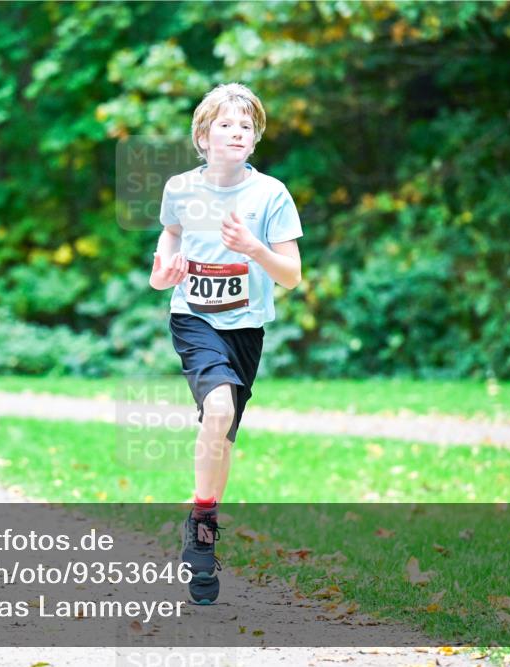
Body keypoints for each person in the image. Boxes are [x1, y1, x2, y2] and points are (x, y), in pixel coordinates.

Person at [149, 83, 302, 604]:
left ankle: (204, 526)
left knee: (225, 434)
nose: (236, 132)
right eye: (226, 124)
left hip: (246, 328)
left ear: (254, 139)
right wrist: (162, 270)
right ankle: (201, 525)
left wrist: (253, 248)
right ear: (203, 135)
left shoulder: (271, 194)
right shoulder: (179, 188)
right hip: (193, 317)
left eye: (246, 126)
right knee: (216, 410)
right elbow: (170, 236)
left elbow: (292, 276)